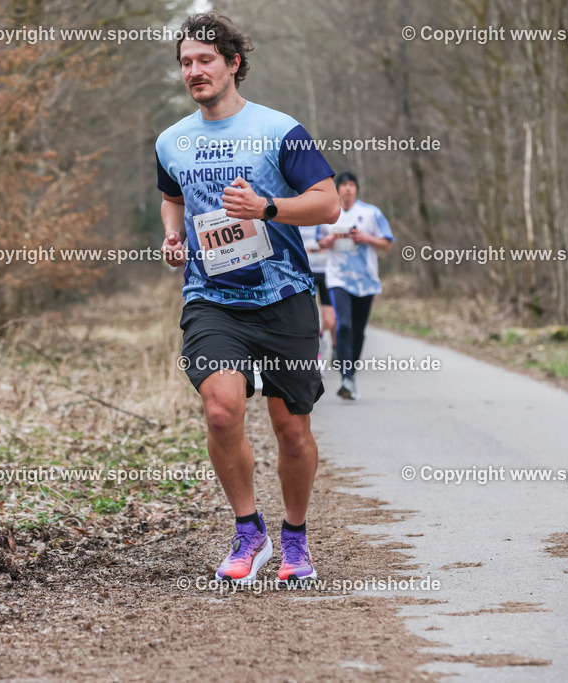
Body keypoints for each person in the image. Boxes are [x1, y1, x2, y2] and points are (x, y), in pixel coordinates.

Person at [155, 12, 339, 585]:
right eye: (186, 62)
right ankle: (247, 530)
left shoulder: (279, 130)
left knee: (291, 430)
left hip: (283, 294)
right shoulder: (171, 140)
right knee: (221, 409)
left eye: (205, 59)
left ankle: (295, 540)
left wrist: (267, 208)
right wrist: (172, 234)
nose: (194, 71)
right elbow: (171, 196)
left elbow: (328, 203)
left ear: (233, 64)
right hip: (212, 298)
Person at [317, 172, 395, 400]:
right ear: (337, 190)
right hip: (338, 278)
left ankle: (350, 374)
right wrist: (326, 242)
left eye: (351, 185)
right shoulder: (328, 214)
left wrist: (367, 238)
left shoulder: (371, 213)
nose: (348, 189)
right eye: (343, 185)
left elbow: (387, 243)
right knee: (345, 326)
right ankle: (346, 378)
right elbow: (319, 240)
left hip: (365, 280)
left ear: (356, 189)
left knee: (358, 331)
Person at [297, 225, 336, 362]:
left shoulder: (326, 221)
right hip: (306, 272)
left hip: (327, 271)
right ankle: (314, 352)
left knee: (330, 321)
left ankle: (320, 334)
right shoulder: (297, 219)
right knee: (305, 317)